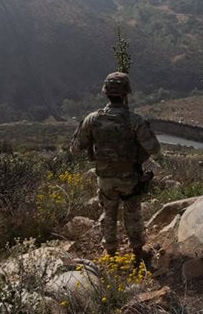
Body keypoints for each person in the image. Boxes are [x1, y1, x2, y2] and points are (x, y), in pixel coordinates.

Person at [71, 72, 161, 265]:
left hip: (105, 177)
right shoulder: (135, 120)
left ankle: (110, 254)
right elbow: (154, 148)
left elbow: (75, 148)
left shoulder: (92, 119)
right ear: (126, 93)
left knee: (108, 214)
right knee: (133, 214)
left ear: (106, 93)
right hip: (130, 177)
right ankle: (137, 252)